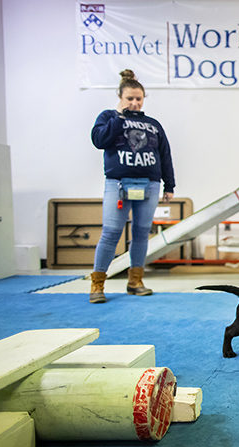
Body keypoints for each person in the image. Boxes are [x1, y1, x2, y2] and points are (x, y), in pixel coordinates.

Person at [89, 69, 175, 303]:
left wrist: (170, 186)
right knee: (111, 233)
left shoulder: (153, 124)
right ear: (120, 97)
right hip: (117, 184)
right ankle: (97, 285)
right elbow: (99, 141)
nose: (135, 103)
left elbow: (164, 154)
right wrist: (119, 117)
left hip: (149, 185)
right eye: (130, 98)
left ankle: (135, 281)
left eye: (138, 98)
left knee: (140, 234)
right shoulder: (108, 118)